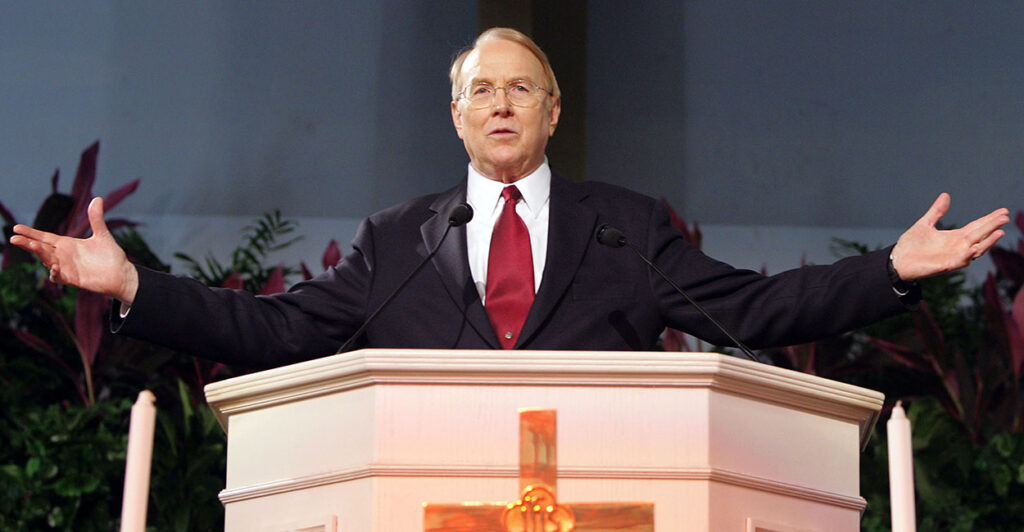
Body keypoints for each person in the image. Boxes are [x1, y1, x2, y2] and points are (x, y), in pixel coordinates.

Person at [10, 28, 1010, 369]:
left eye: (519, 87)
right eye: (480, 89)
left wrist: (889, 271)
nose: (500, 102)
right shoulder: (396, 238)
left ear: (552, 111)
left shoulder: (623, 223)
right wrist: (131, 282)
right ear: (455, 116)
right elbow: (272, 332)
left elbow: (753, 309)